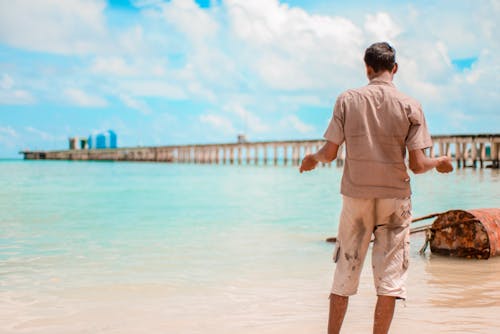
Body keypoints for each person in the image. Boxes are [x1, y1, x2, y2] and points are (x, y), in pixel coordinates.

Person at [299, 42, 453, 334]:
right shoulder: (410, 105)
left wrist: (312, 159)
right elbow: (418, 165)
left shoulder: (347, 99)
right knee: (390, 280)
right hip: (395, 200)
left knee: (344, 274)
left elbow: (330, 153)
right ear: (394, 69)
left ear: (367, 67)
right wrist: (441, 162)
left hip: (356, 198)